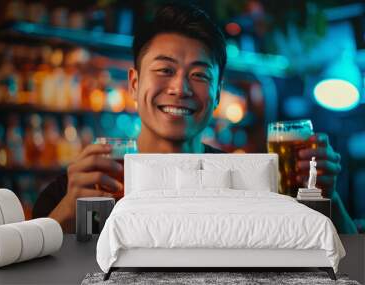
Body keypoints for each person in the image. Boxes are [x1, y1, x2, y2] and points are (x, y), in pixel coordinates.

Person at [33, 3, 355, 234]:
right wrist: (68, 211)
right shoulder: (89, 183)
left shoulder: (247, 181)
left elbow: (340, 261)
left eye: (199, 75)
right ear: (134, 83)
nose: (180, 88)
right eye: (165, 70)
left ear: (217, 94)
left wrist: (327, 195)